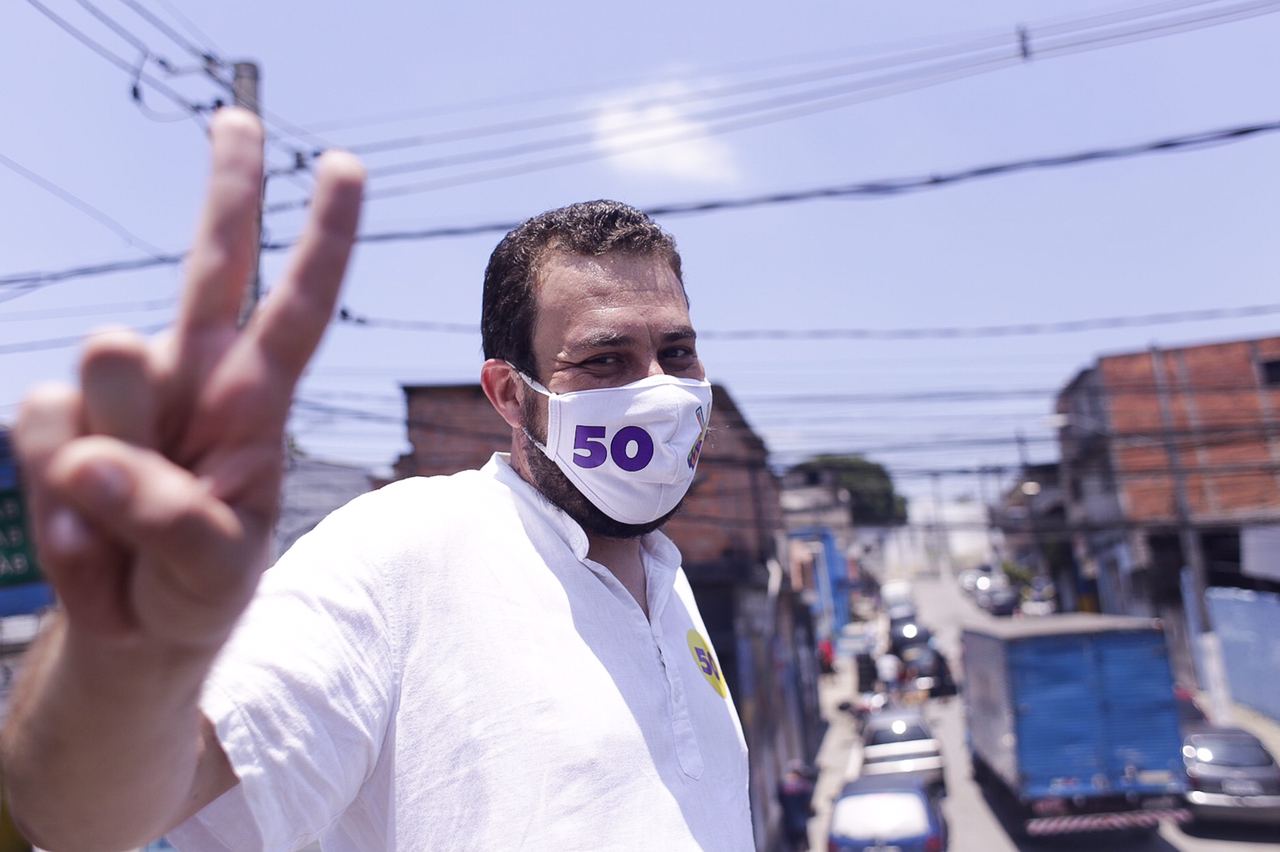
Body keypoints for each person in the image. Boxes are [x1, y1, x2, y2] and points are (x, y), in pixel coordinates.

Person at [0, 109, 752, 851]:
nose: (658, 390)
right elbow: (83, 819)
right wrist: (121, 656)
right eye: (604, 360)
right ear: (509, 394)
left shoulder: (669, 581)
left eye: (677, 354)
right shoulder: (405, 551)